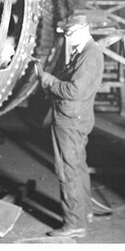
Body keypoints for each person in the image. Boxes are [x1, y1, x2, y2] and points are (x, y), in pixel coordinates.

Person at [32, 14, 104, 238]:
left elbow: (74, 91)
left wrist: (49, 81)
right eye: (66, 34)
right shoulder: (84, 52)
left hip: (71, 119)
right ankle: (84, 212)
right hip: (75, 118)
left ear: (84, 29)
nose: (68, 38)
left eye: (70, 33)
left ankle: (74, 223)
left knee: (68, 169)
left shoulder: (89, 56)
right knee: (78, 166)